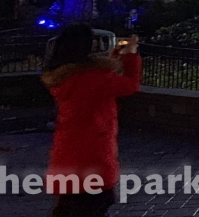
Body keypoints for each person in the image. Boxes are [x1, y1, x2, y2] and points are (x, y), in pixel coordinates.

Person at [42, 24, 142, 217]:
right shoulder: (94, 78)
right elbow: (130, 85)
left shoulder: (64, 77)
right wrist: (130, 56)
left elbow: (100, 80)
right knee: (97, 202)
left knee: (73, 206)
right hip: (92, 155)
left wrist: (113, 58)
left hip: (68, 155)